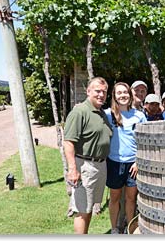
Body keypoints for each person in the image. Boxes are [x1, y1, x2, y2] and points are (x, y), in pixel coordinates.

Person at [63, 77, 112, 234]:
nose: (101, 95)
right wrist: (72, 169)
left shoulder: (101, 113)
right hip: (85, 166)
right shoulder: (80, 112)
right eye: (97, 91)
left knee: (89, 208)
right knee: (82, 209)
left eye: (104, 92)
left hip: (99, 166)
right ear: (88, 91)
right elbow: (68, 142)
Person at [104, 82, 147, 234]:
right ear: (114, 96)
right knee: (114, 198)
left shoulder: (139, 115)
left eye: (125, 92)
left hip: (132, 164)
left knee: (131, 199)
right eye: (119, 93)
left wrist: (137, 161)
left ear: (130, 94)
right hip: (114, 163)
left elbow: (145, 142)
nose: (122, 95)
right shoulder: (107, 114)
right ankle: (114, 228)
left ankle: (130, 228)